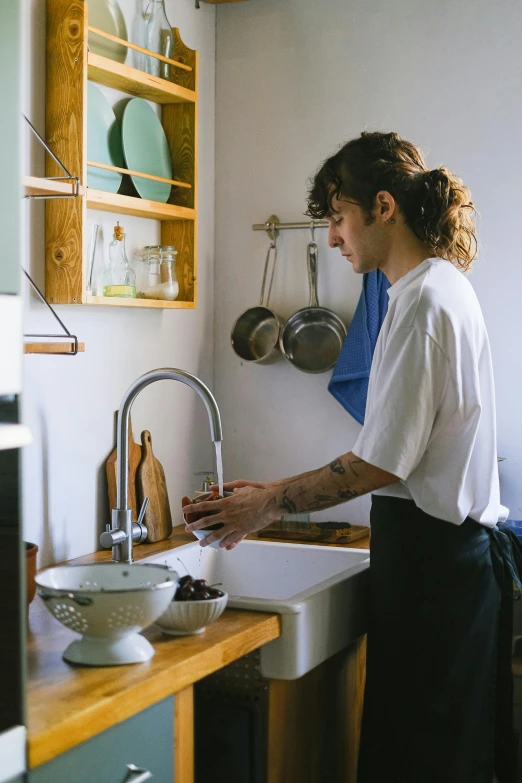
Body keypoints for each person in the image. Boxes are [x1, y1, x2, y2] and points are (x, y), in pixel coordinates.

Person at [183, 131, 521, 783]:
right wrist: (271, 495)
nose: (335, 238)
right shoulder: (435, 288)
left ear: (383, 206)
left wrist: (269, 500)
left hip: (436, 576)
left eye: (339, 218)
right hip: (442, 566)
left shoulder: (423, 300)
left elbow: (381, 462)